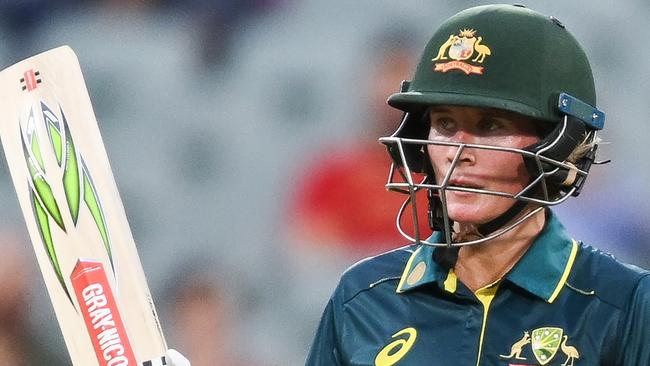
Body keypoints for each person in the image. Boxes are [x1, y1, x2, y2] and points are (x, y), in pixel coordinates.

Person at [305, 4, 650, 366]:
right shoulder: (362, 298)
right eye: (445, 124)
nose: (459, 152)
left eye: (491, 126)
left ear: (560, 146)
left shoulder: (624, 305)